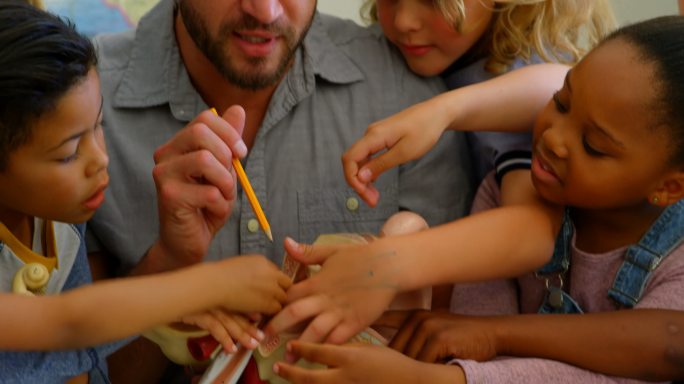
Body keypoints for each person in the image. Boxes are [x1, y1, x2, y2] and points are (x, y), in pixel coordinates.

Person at [88, 0, 572, 382]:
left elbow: (445, 333)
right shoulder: (81, 111)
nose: (265, 11)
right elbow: (82, 370)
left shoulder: (409, 87)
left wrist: (390, 265)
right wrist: (171, 266)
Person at [270, 15, 684, 382]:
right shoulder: (502, 189)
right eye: (560, 102)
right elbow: (467, 335)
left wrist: (482, 342)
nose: (554, 138)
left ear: (670, 188)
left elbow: (669, 344)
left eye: (593, 145)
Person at [0, 2, 291, 382]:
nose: (101, 160)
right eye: (69, 153)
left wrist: (163, 304)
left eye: (99, 125)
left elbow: (85, 367)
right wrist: (202, 287)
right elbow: (67, 324)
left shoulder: (58, 222)